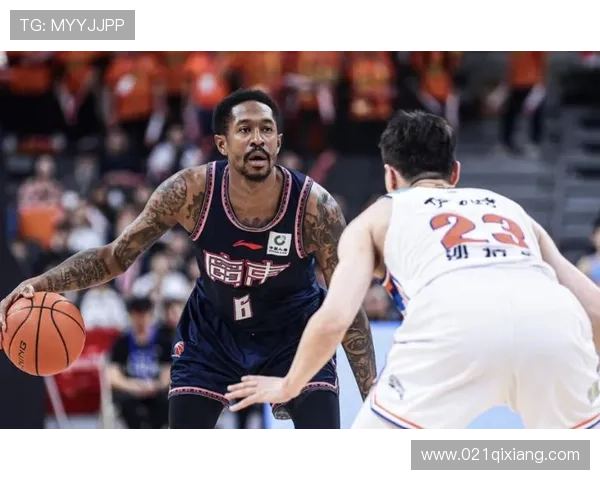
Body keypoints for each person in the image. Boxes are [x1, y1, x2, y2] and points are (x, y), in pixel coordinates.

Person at [0, 89, 377, 432]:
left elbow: (347, 307)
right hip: (212, 332)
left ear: (278, 142)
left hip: (293, 334)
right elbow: (115, 257)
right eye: (244, 129)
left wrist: (376, 403)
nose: (257, 139)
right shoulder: (190, 192)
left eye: (266, 130)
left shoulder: (314, 207)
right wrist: (41, 283)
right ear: (222, 143)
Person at [225, 110, 600, 432]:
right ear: (454, 173)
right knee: (573, 462)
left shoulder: (377, 217)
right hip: (556, 324)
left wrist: (289, 385)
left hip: (453, 321)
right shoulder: (510, 208)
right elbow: (593, 307)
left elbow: (336, 316)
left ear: (390, 177)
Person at [107, 296, 171, 432]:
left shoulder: (164, 340)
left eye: (144, 314)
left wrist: (156, 385)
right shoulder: (121, 342)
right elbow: (113, 375)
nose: (141, 320)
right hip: (130, 389)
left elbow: (169, 371)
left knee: (166, 400)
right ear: (131, 316)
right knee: (126, 404)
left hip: (156, 388)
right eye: (137, 315)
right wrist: (134, 386)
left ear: (151, 315)